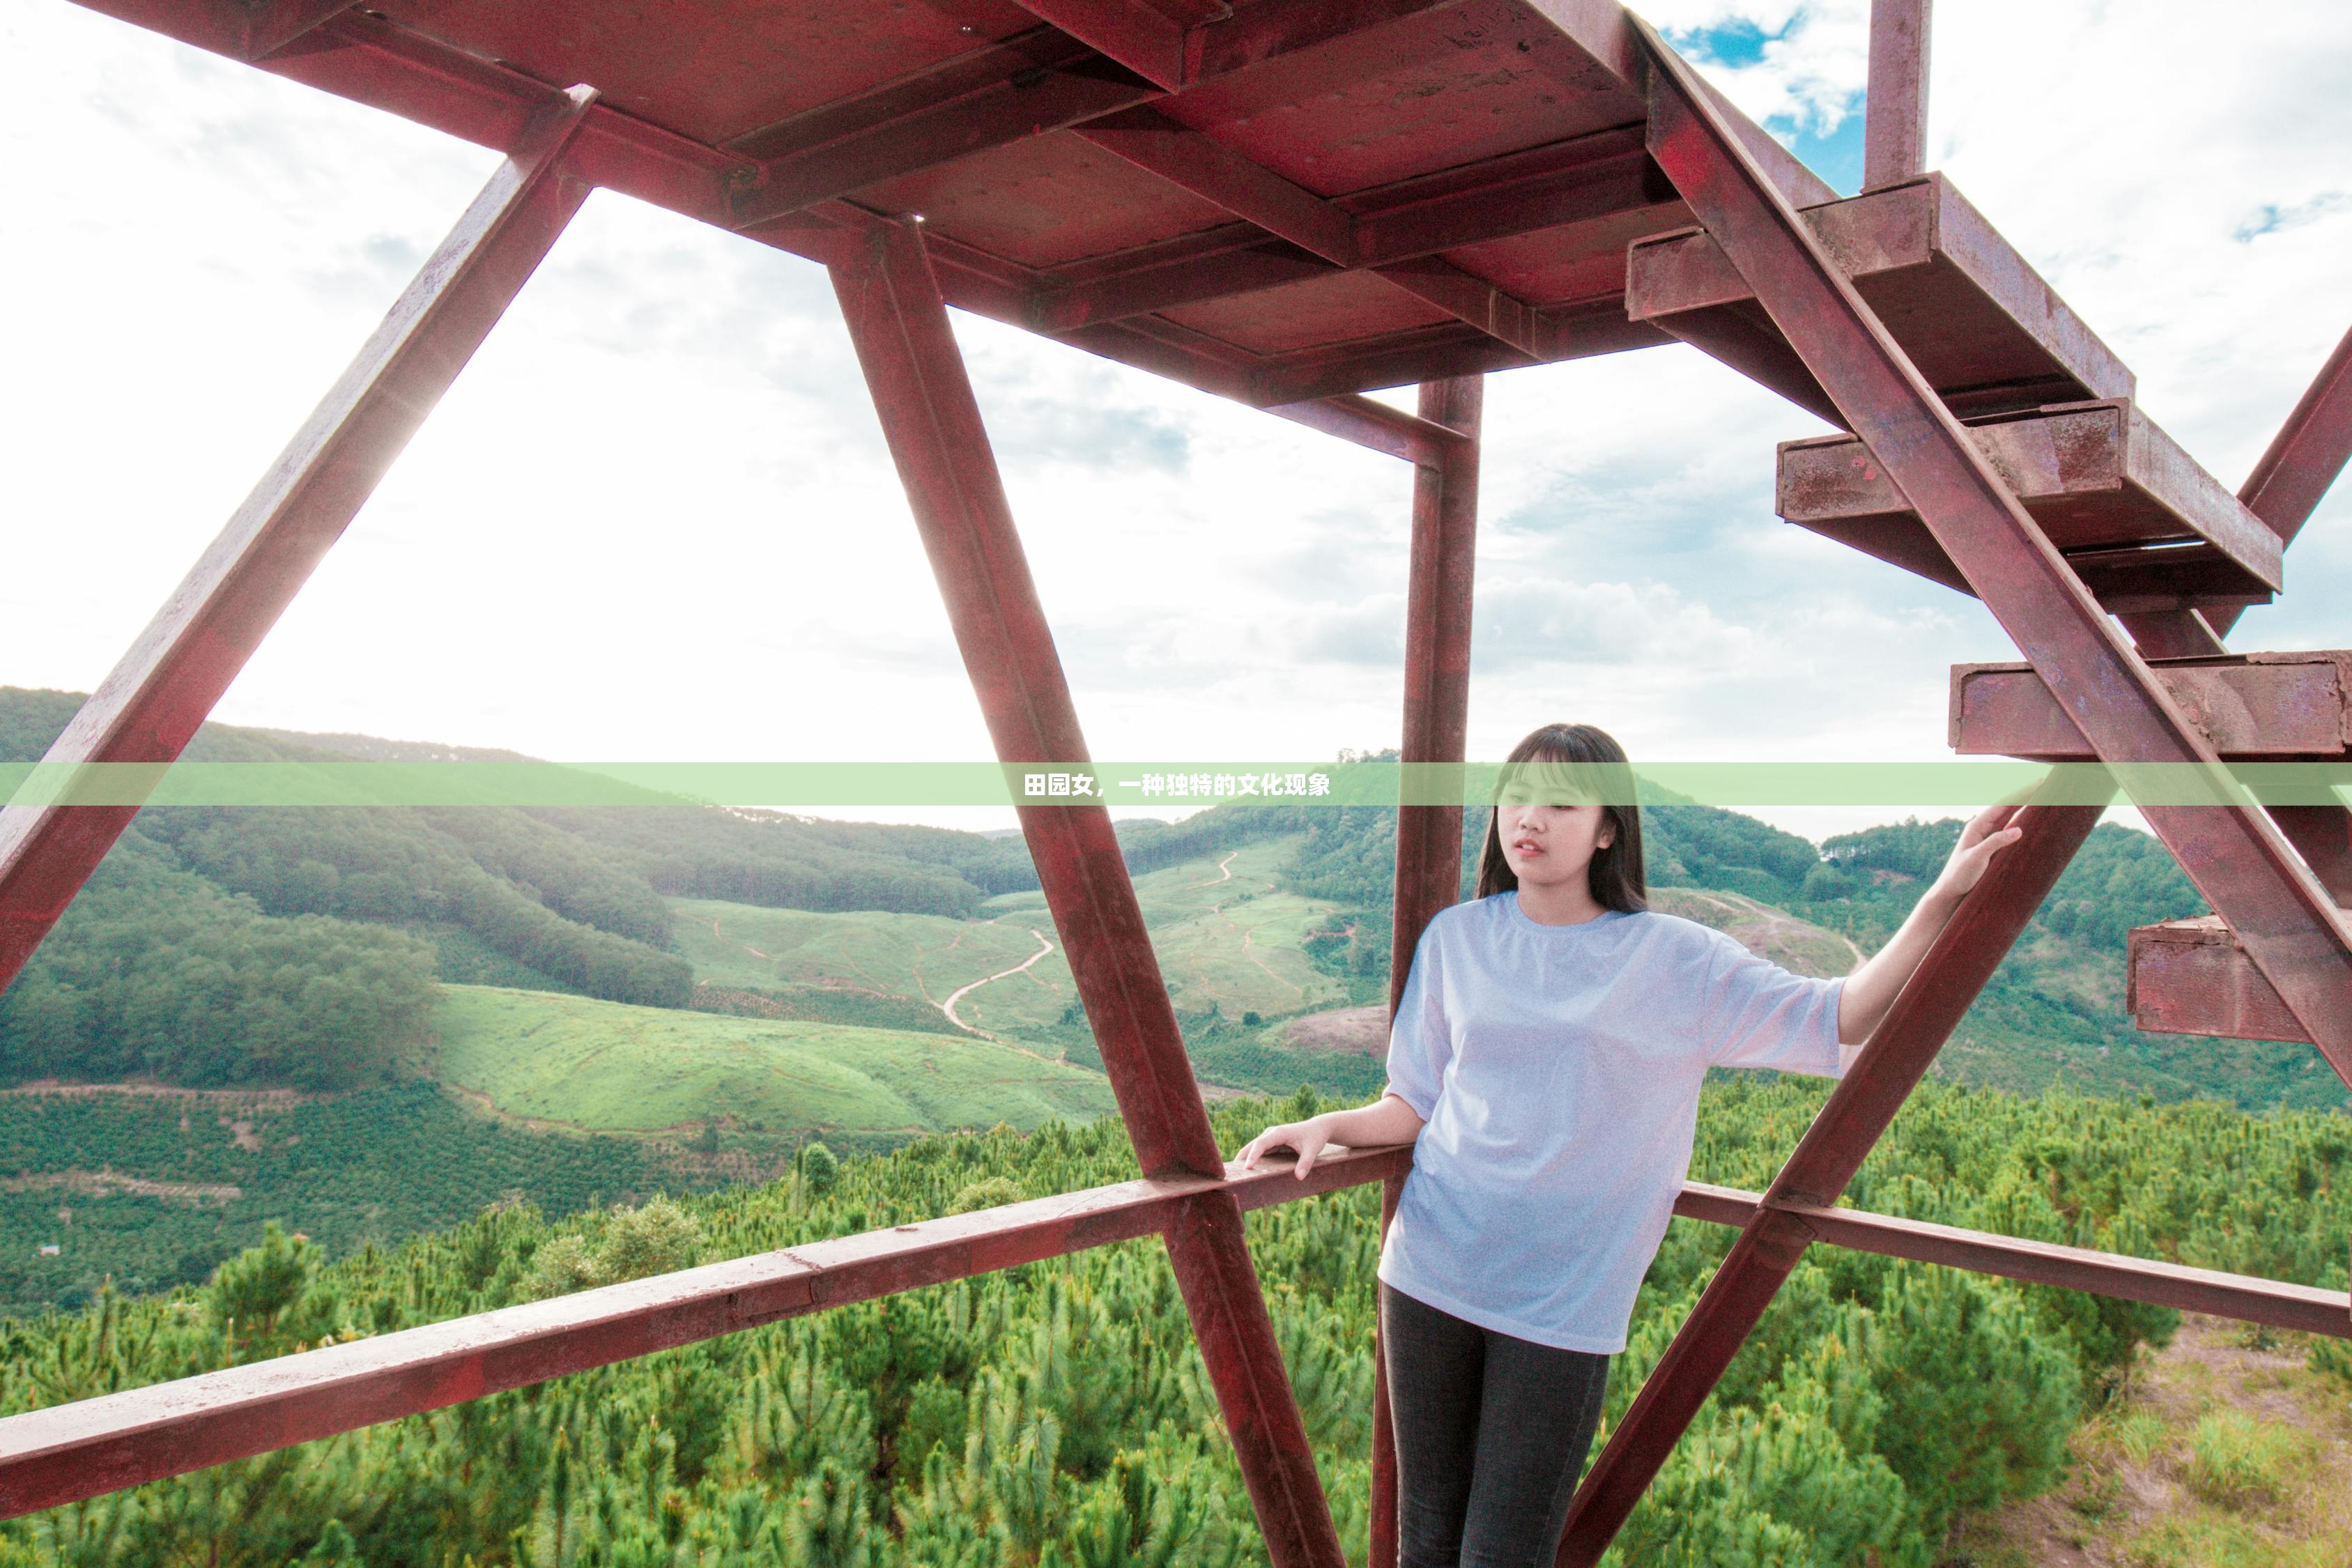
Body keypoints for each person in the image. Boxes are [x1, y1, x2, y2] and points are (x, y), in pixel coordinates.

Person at [1232, 722, 2025, 1568]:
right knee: (1425, 1536)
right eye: (1517, 798)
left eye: (1563, 804)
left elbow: (1839, 1016)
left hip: (1564, 1299)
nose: (1530, 819)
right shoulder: (1458, 939)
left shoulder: (1675, 959)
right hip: (1430, 1267)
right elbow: (1414, 1102)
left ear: (1610, 828)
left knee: (1502, 1553)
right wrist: (1328, 1128)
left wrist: (1939, 897)